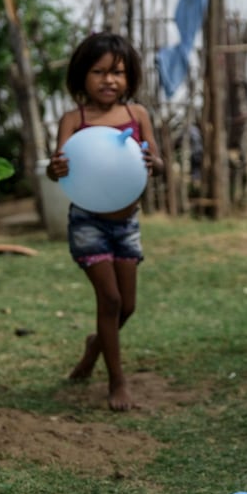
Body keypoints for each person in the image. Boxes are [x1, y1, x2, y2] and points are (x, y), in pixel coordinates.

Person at [46, 32, 163, 411]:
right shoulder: (73, 120)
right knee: (109, 298)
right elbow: (57, 168)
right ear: (82, 76)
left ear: (130, 78)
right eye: (98, 72)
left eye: (118, 72)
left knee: (126, 306)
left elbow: (157, 164)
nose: (109, 80)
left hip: (126, 222)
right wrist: (56, 167)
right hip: (88, 222)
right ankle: (117, 381)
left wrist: (151, 163)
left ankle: (95, 345)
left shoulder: (137, 115)